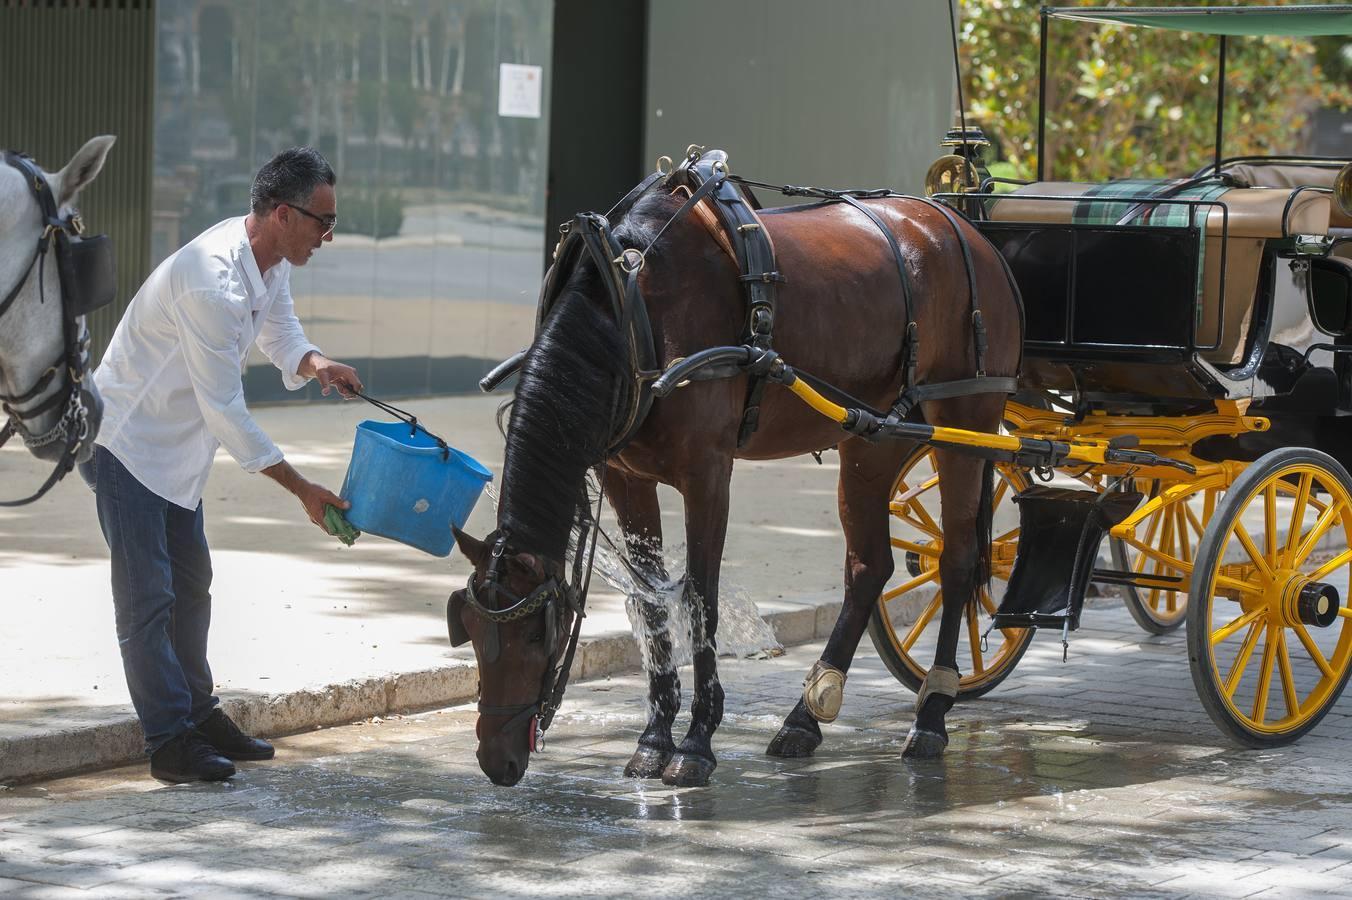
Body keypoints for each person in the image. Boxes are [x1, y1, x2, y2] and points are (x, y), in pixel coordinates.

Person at [80, 147, 363, 783]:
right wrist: (302, 489)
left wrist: (317, 364)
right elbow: (226, 414)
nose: (327, 235)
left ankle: (199, 714)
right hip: (125, 443)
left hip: (176, 452)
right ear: (284, 214)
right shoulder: (211, 279)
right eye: (323, 222)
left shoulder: (270, 259)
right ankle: (169, 741)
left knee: (193, 587)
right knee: (149, 599)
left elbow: (280, 332)